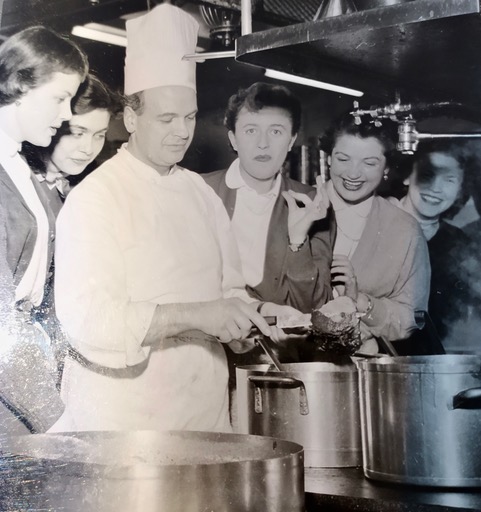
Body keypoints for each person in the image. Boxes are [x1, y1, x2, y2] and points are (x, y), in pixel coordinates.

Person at [51, 4, 298, 433]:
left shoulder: (200, 193)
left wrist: (256, 317)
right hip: (125, 420)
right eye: (166, 118)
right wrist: (200, 315)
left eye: (188, 117)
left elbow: (227, 290)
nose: (183, 132)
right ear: (131, 118)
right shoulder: (96, 198)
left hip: (204, 411)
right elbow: (91, 320)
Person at [0, 25, 88, 433]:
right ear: (19, 85)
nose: (67, 114)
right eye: (60, 98)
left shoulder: (20, 167)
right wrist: (54, 419)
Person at [204, 82, 333, 313]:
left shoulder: (312, 203)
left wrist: (298, 241)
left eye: (276, 131)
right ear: (233, 138)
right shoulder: (199, 191)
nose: (263, 144)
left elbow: (314, 308)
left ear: (292, 140)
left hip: (279, 347)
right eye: (251, 130)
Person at [320, 113, 431, 354]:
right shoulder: (295, 209)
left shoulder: (404, 229)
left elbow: (412, 317)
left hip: (368, 372)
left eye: (369, 163)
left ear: (386, 168)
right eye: (343, 159)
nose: (353, 173)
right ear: (329, 159)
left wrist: (362, 301)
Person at [393, 141, 480, 353]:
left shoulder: (459, 243)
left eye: (449, 180)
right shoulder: (374, 222)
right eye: (427, 174)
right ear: (407, 176)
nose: (435, 188)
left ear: (461, 190)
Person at [23, 74, 122, 217]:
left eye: (99, 135)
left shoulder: (79, 190)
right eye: (77, 133)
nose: (88, 149)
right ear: (52, 125)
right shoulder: (17, 183)